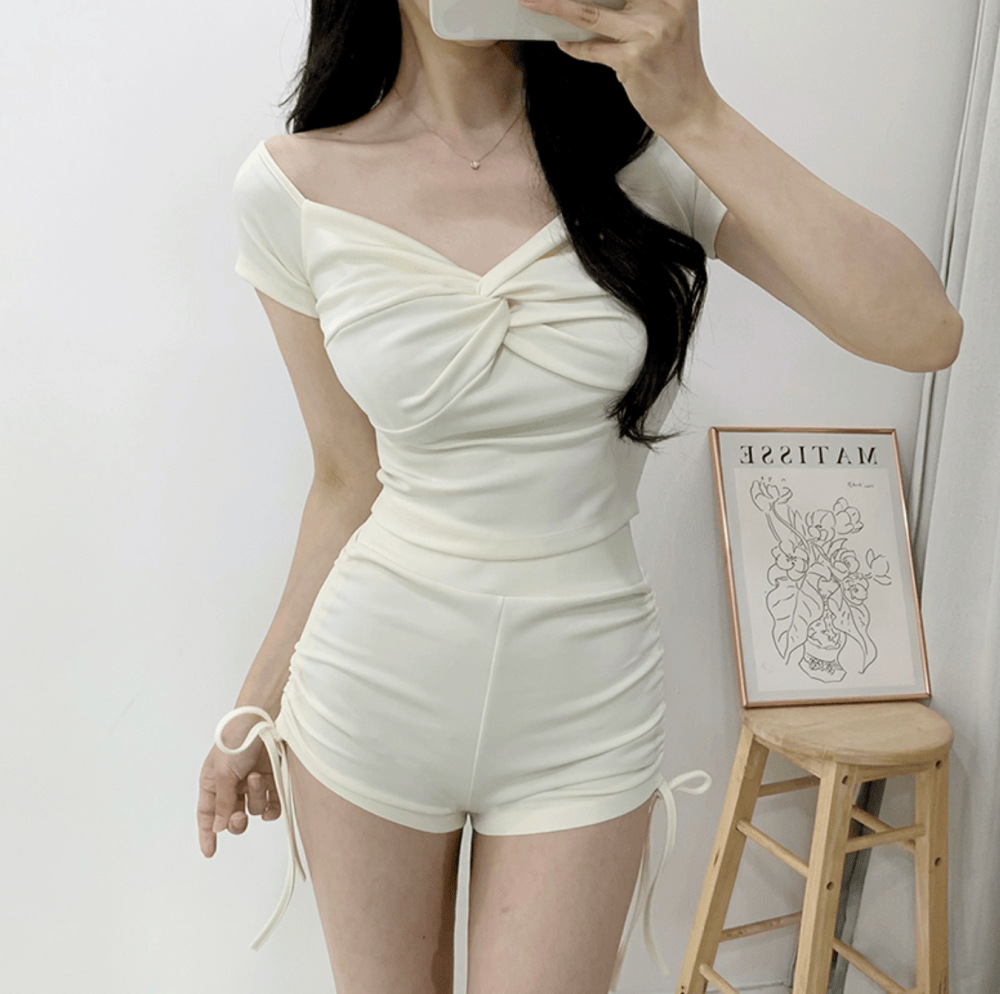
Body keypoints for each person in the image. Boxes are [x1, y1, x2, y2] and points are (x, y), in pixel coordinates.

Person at [196, 1, 962, 991]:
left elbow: (922, 330)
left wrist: (694, 107)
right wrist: (250, 709)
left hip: (584, 707)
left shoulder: (651, 160)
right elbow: (346, 477)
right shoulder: (293, 188)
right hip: (369, 691)